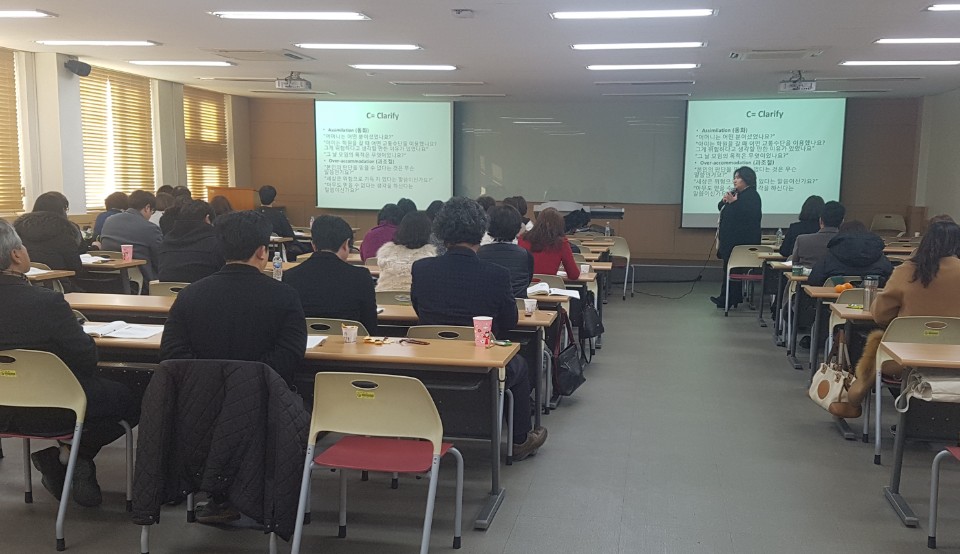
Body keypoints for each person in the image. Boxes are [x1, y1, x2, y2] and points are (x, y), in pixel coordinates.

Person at [0, 219, 139, 507]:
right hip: (56, 409)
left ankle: (67, 457)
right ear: (16, 255)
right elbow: (86, 359)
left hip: (4, 410)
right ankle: (73, 454)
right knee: (137, 393)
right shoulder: (46, 303)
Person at [411, 197, 547, 461]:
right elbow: (509, 322)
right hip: (482, 362)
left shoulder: (422, 269)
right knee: (519, 365)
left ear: (442, 232)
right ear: (480, 231)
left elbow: (419, 310)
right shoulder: (496, 274)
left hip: (430, 362)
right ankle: (520, 440)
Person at [829, 220, 960, 418]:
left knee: (876, 345)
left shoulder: (907, 271)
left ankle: (853, 400)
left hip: (902, 359)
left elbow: (880, 314)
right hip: (955, 357)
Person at [160, 210, 307, 388]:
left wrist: (210, 380)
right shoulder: (285, 296)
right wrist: (247, 380)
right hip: (265, 396)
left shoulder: (189, 295)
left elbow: (172, 351)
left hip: (200, 397)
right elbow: (290, 355)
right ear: (262, 251)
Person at [283, 215, 378, 334]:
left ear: (313, 245)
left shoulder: (290, 276)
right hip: (350, 344)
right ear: (346, 244)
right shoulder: (361, 277)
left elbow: (287, 324)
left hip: (304, 343)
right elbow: (370, 327)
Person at [711, 166, 762, 308]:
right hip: (730, 241)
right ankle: (729, 298)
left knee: (732, 269)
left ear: (747, 179)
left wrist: (734, 203)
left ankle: (728, 299)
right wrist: (725, 200)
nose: (735, 180)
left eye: (738, 177)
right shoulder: (736, 194)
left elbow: (748, 216)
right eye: (734, 177)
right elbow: (721, 207)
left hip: (741, 242)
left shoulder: (752, 195)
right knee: (728, 269)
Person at [14, 192, 85, 280]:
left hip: (25, 282)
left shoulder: (18, 229)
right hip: (61, 283)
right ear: (62, 210)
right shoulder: (64, 230)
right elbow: (75, 267)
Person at [100, 189, 164, 284]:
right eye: (152, 211)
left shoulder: (109, 221)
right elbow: (160, 260)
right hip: (141, 281)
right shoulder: (150, 228)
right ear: (147, 207)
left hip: (108, 278)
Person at [807, 220, 894, 287]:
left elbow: (814, 280)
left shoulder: (830, 256)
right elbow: (892, 281)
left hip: (834, 303)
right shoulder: (880, 258)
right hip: (872, 302)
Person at [158, 200, 225, 283]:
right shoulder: (216, 243)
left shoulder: (165, 243)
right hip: (204, 290)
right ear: (207, 218)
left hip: (165, 290)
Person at [478, 205, 534, 298]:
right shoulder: (526, 255)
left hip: (487, 304)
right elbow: (527, 281)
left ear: (489, 226)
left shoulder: (479, 253)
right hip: (518, 304)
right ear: (518, 227)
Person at [375, 211, 436, 292]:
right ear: (427, 232)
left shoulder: (386, 252)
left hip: (383, 296)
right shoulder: (430, 256)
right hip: (413, 298)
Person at [518, 207, 581, 279]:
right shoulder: (561, 243)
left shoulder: (523, 238)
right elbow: (574, 275)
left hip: (526, 284)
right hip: (550, 285)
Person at [256, 185, 309, 260]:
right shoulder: (279, 215)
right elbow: (290, 236)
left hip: (259, 253)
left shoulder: (253, 215)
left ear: (260, 197)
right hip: (279, 253)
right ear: (274, 199)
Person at [791, 201, 845, 268]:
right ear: (842, 222)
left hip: (808, 274)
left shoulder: (802, 240)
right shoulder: (847, 243)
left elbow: (795, 264)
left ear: (820, 220)